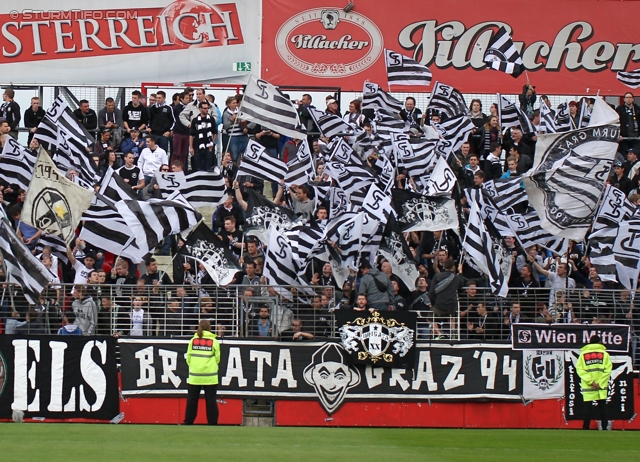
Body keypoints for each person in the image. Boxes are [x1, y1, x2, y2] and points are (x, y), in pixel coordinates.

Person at [184, 320, 221, 425]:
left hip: (194, 376)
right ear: (210, 328)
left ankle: (188, 422)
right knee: (211, 400)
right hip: (210, 376)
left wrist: (195, 367)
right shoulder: (214, 341)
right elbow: (218, 358)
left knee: (192, 400)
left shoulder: (193, 341)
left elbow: (188, 358)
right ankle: (212, 422)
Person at [576, 335, 613, 430]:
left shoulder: (583, 354)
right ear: (599, 342)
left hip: (588, 386)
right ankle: (604, 428)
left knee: (587, 407)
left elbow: (580, 370)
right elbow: (608, 370)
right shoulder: (605, 354)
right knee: (603, 407)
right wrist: (599, 383)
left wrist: (591, 382)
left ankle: (585, 427)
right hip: (601, 385)